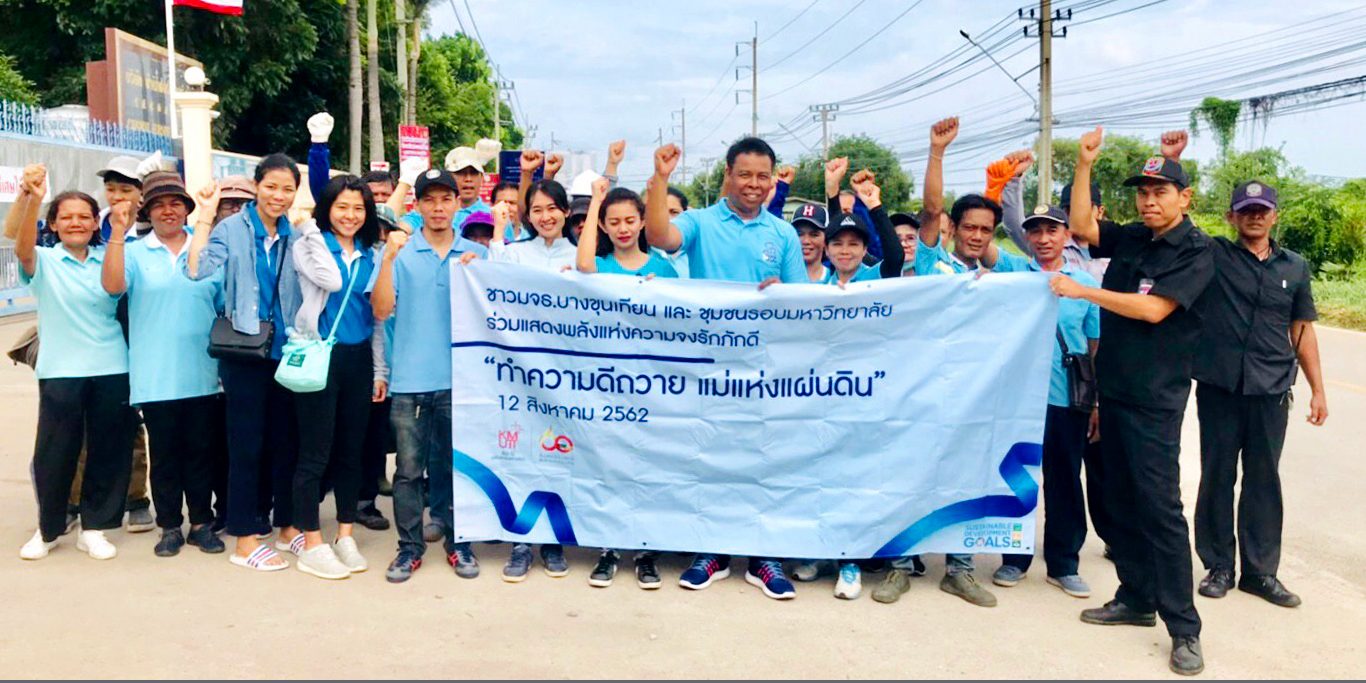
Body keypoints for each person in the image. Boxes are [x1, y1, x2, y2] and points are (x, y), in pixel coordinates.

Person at [1050, 126, 1213, 676]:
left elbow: (1153, 309)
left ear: (1184, 198)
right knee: (1118, 502)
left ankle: (1184, 628)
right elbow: (1081, 225)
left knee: (1160, 511)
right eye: (1142, 193)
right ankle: (1137, 597)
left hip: (1154, 402)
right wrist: (1083, 164)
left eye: (1159, 192)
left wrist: (1084, 290)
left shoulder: (1195, 251)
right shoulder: (1135, 239)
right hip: (1113, 394)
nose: (1148, 201)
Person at [644, 137, 807, 600]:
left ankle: (763, 557)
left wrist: (783, 294)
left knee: (764, 459)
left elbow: (804, 304)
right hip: (710, 368)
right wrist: (660, 179)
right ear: (728, 176)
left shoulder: (783, 234)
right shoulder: (700, 222)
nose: (754, 184)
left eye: (763, 176)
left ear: (772, 180)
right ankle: (711, 551)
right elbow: (659, 237)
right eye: (745, 174)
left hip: (765, 370)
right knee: (711, 457)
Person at [1191, 180, 1328, 608]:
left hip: (1271, 389)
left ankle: (1261, 572)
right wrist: (1171, 159)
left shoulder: (1295, 267)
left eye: (1262, 210)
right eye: (1246, 210)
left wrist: (1318, 390)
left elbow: (1302, 330)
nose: (1255, 216)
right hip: (1221, 386)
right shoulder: (1214, 255)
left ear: (1274, 216)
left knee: (1264, 480)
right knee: (1217, 475)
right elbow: (1178, 223)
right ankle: (1219, 566)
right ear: (1231, 216)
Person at [9, 165, 135, 561]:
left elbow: (114, 287)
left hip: (111, 367)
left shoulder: (109, 254)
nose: (76, 223)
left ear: (95, 223)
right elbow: (22, 250)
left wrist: (118, 232)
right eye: (66, 217)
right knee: (54, 452)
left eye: (84, 216)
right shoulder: (44, 261)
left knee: (108, 449)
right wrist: (33, 199)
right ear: (53, 224)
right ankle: (48, 529)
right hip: (61, 369)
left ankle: (94, 527)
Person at [186, 153, 306, 572]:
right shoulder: (231, 229)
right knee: (246, 446)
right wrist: (204, 216)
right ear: (257, 186)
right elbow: (196, 270)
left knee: (287, 444)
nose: (278, 196)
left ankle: (287, 526)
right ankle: (244, 537)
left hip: (287, 352)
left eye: (287, 189)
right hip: (244, 352)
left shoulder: (296, 233)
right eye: (271, 186)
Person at [99, 171, 227, 557]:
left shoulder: (208, 250)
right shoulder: (136, 252)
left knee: (201, 452)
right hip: (156, 375)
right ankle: (170, 525)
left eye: (176, 203)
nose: (168, 211)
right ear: (148, 212)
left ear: (188, 209)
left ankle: (201, 523)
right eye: (159, 205)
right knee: (166, 455)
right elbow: (113, 286)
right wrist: (117, 232)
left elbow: (223, 305)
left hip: (204, 372)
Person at [370, 168, 488, 583]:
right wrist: (388, 259)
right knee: (407, 471)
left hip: (461, 382)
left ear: (457, 204)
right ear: (417, 206)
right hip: (410, 382)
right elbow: (381, 310)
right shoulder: (399, 252)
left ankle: (459, 543)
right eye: (429, 200)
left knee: (455, 468)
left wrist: (479, 275)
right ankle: (409, 547)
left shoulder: (475, 255)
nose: (438, 208)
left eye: (445, 199)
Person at [990, 205, 1101, 598]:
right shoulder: (1014, 275)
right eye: (1035, 231)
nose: (1043, 238)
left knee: (1065, 479)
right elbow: (983, 250)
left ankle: (1064, 563)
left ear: (1066, 234)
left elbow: (1092, 345)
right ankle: (1014, 558)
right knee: (1018, 477)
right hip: (1019, 401)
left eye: (1051, 230)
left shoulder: (1083, 284)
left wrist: (1094, 403)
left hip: (1065, 398)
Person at [573, 177, 674, 589]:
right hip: (608, 387)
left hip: (653, 388)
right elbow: (583, 265)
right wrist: (596, 199)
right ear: (603, 226)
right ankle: (609, 548)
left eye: (630, 220)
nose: (623, 228)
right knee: (609, 467)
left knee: (648, 467)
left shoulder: (663, 268)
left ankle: (646, 551)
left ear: (642, 221)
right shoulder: (601, 266)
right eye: (613, 222)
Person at [286, 175, 383, 580]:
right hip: (319, 355)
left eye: (359, 208)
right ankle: (311, 541)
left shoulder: (371, 253)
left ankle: (345, 534)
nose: (351, 215)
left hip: (357, 359)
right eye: (342, 207)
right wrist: (310, 228)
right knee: (314, 453)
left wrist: (380, 370)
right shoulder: (309, 245)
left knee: (350, 451)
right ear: (327, 209)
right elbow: (332, 281)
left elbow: (376, 318)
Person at [356, 204, 404, 533]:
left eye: (388, 230)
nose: (382, 236)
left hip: (405, 369)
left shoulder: (405, 262)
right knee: (368, 438)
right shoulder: (365, 262)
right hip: (372, 366)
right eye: (377, 230)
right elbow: (375, 322)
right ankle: (363, 501)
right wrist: (378, 372)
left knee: (396, 441)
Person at [487, 180, 576, 270]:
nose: (545, 218)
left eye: (552, 208)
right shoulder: (515, 252)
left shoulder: (579, 258)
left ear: (566, 211)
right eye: (537, 210)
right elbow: (495, 273)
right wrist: (499, 229)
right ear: (528, 216)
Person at [791, 203, 829, 283]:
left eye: (814, 235)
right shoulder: (779, 277)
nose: (806, 241)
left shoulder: (836, 280)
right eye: (799, 234)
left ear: (826, 239)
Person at [890, 212, 919, 276]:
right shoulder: (876, 275)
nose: (903, 244)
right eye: (897, 239)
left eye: (910, 238)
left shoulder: (935, 274)